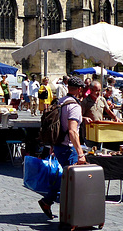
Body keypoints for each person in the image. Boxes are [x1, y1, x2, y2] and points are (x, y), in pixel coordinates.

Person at [38, 76, 87, 220]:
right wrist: (80, 153)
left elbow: (58, 124)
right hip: (68, 147)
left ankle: (49, 201)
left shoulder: (61, 102)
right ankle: (68, 210)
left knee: (65, 176)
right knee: (70, 179)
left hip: (59, 144)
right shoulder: (75, 106)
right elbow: (72, 130)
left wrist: (53, 144)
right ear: (79, 89)